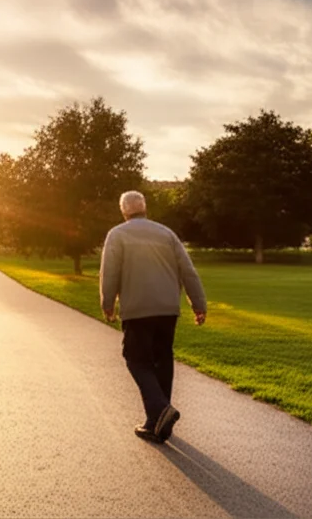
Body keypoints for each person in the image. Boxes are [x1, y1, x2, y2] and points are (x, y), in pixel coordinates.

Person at [99, 190, 207, 444]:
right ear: (145, 208)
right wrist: (198, 304)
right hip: (168, 309)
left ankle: (160, 409)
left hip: (137, 309)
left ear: (123, 210)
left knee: (135, 359)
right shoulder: (166, 233)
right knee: (162, 360)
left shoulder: (117, 234)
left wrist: (107, 304)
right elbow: (187, 271)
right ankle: (157, 425)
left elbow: (110, 273)